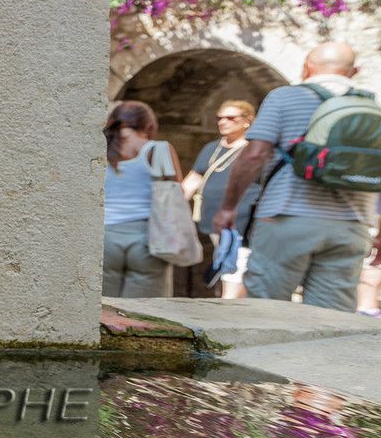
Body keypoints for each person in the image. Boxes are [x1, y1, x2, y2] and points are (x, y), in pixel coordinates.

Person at [214, 42, 374, 311]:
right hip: (352, 223)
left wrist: (229, 207)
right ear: (354, 71)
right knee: (330, 319)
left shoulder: (284, 97)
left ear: (307, 67)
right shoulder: (371, 103)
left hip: (287, 215)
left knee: (268, 309)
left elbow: (254, 155)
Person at [182, 100, 260, 299]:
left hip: (240, 223)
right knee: (222, 266)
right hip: (213, 221)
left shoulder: (254, 150)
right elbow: (193, 179)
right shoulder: (212, 148)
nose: (223, 122)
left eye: (231, 117)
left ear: (247, 121)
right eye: (220, 117)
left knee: (235, 266)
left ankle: (229, 309)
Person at [103, 100, 178, 298]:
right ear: (148, 126)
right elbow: (176, 191)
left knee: (102, 308)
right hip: (146, 237)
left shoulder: (101, 147)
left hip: (104, 237)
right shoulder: (158, 149)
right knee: (143, 312)